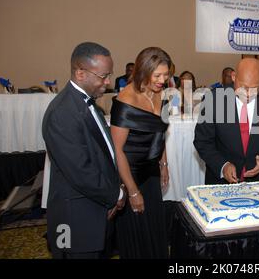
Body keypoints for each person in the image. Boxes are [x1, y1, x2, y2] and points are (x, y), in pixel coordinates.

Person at [42, 42, 125, 259]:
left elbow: (104, 153)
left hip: (94, 211)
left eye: (109, 75)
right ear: (80, 73)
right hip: (74, 219)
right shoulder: (62, 113)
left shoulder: (88, 103)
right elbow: (81, 170)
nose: (108, 82)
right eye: (103, 76)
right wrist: (115, 194)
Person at [110, 47, 171, 258]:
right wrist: (133, 191)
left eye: (166, 75)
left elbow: (160, 132)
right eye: (158, 75)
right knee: (137, 235)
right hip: (130, 174)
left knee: (154, 228)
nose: (163, 80)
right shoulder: (126, 99)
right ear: (144, 72)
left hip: (151, 171)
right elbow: (117, 150)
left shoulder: (161, 92)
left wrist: (163, 164)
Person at [194, 58, 259, 185]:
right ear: (234, 77)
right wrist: (223, 165)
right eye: (243, 87)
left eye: (255, 88)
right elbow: (202, 141)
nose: (248, 94)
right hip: (220, 182)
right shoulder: (213, 99)